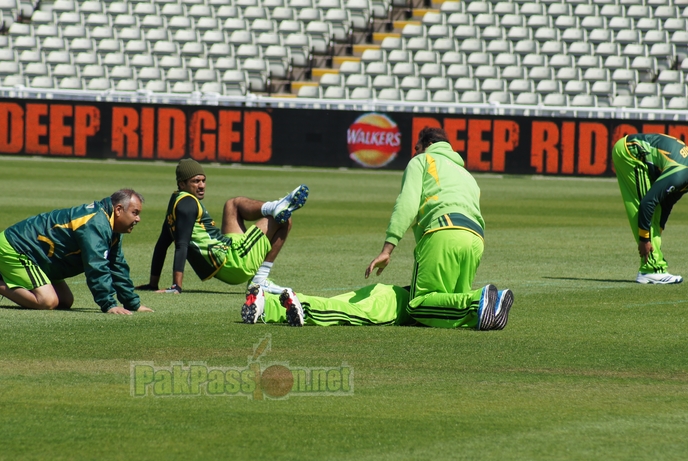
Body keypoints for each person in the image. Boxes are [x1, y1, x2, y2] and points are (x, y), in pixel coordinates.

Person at [364, 127, 513, 331]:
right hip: (476, 238)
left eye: (417, 148)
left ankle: (480, 299)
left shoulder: (423, 161)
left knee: (418, 305)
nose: (415, 152)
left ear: (429, 145)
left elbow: (407, 204)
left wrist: (387, 249)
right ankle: (490, 307)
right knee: (450, 303)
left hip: (443, 231)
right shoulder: (466, 174)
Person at [0, 189, 152, 315]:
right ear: (118, 210)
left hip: (41, 257)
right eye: (135, 212)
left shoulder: (110, 228)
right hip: (15, 248)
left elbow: (117, 266)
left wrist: (133, 304)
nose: (138, 219)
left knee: (64, 301)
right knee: (47, 302)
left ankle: (2, 275)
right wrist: (109, 304)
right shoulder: (95, 223)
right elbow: (97, 266)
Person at [138, 159, 307, 295]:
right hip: (233, 261)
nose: (202, 185)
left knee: (232, 205)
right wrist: (176, 286)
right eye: (195, 181)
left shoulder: (176, 202)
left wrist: (153, 284)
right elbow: (181, 245)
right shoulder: (188, 204)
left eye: (203, 180)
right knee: (285, 219)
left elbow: (162, 244)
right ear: (182, 184)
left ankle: (274, 206)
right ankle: (259, 280)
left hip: (227, 250)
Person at [612, 133, 688, 284]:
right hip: (630, 153)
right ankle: (651, 270)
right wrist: (645, 240)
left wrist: (658, 230)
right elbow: (647, 202)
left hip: (636, 154)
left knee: (654, 217)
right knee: (645, 207)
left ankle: (653, 266)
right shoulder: (681, 175)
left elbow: (666, 205)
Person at [241, 283, 413, 327]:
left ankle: (266, 303)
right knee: (348, 313)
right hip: (397, 302)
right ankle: (305, 308)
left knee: (335, 304)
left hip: (387, 289)